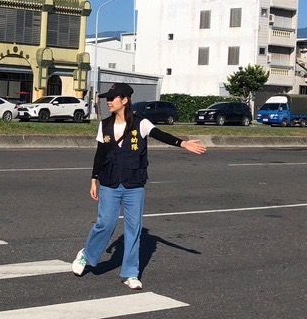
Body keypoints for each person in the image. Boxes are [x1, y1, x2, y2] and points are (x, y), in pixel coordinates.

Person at [71, 83, 206, 289]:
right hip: (110, 183)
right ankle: (86, 255)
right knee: (105, 223)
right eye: (108, 98)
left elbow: (161, 135)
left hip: (134, 184)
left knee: (134, 229)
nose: (109, 101)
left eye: (113, 98)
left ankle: (130, 273)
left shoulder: (141, 123)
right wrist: (93, 179)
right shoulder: (104, 124)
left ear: (124, 100)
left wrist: (183, 143)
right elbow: (100, 154)